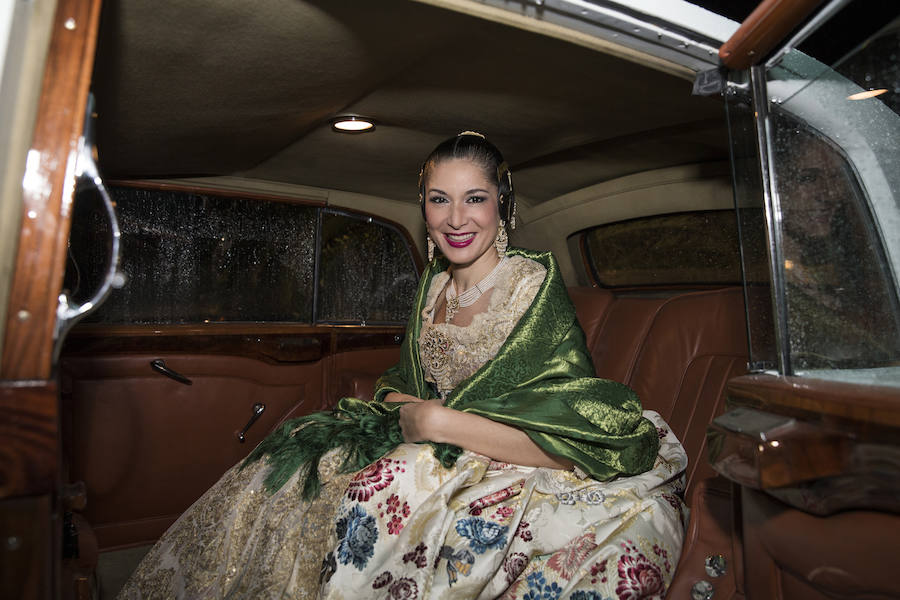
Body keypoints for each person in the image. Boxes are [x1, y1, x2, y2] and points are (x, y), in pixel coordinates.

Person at [118, 132, 687, 600]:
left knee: (373, 495)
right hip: (426, 439)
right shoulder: (433, 284)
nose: (456, 218)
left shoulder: (531, 286)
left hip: (505, 456)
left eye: (475, 198)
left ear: (502, 205)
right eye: (439, 199)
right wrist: (403, 406)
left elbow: (564, 431)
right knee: (280, 471)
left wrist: (440, 424)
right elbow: (409, 383)